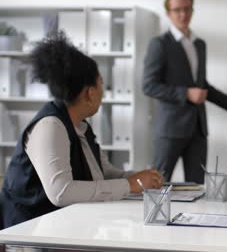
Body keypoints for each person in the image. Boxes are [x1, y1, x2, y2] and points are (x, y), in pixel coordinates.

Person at [1, 33, 164, 228]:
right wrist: (130, 184)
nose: (103, 91)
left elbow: (103, 173)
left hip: (59, 227)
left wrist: (141, 176)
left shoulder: (80, 126)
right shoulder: (51, 126)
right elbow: (62, 192)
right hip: (28, 231)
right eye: (101, 83)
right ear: (90, 92)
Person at [143, 0, 227, 183]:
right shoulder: (159, 44)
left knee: (197, 186)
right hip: (170, 129)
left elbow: (201, 85)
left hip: (198, 129)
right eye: (177, 10)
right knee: (157, 183)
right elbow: (149, 85)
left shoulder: (199, 44)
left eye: (187, 9)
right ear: (168, 13)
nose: (183, 14)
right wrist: (186, 93)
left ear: (192, 10)